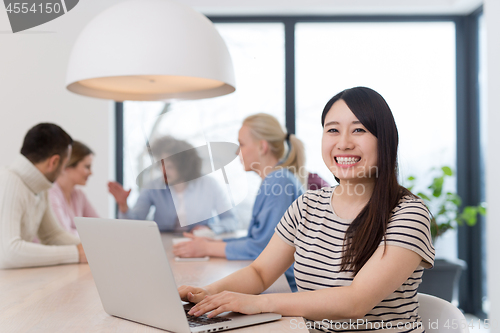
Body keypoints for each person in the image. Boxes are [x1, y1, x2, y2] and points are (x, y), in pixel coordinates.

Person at [177, 87, 435, 333]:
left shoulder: (408, 214)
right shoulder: (307, 206)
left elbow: (356, 302)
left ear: (385, 140)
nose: (343, 143)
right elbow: (260, 272)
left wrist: (258, 303)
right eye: (332, 130)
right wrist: (209, 293)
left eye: (359, 130)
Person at [174, 113, 305, 291]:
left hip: (284, 287)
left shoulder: (279, 181)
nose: (237, 152)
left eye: (241, 144)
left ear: (262, 147)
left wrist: (206, 248)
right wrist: (211, 244)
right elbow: (257, 239)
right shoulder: (276, 179)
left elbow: (263, 248)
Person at [108, 136, 238, 234]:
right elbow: (135, 226)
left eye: (169, 166)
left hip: (199, 246)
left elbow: (231, 221)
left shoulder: (209, 185)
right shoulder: (153, 187)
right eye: (160, 165)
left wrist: (209, 229)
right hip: (162, 248)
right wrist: (123, 206)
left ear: (184, 166)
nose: (163, 171)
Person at [0, 123, 87, 269]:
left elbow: (52, 235)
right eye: (65, 164)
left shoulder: (41, 186)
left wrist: (86, 248)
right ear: (53, 162)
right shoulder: (9, 182)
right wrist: (76, 253)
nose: (63, 171)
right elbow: (8, 252)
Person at [49, 141, 99, 237]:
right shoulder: (51, 193)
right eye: (87, 167)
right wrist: (92, 235)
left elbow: (100, 226)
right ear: (67, 165)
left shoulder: (79, 195)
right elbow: (63, 235)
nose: (91, 172)